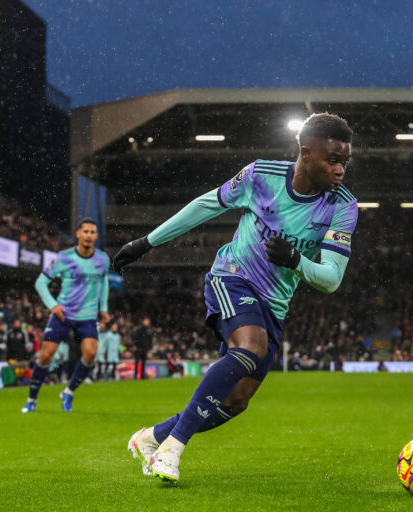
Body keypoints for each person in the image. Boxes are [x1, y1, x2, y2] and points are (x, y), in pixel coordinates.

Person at [115, 113, 356, 482]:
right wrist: (147, 242)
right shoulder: (261, 176)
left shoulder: (342, 206)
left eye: (345, 162)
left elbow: (331, 279)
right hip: (232, 278)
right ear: (306, 154)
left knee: (237, 400)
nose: (340, 170)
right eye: (333, 160)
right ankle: (172, 450)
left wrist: (295, 260)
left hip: (274, 305)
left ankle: (151, 437)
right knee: (251, 347)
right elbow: (206, 205)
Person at [21, 218, 111, 413]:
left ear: (96, 236)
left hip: (87, 316)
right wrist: (53, 305)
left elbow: (104, 283)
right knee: (45, 355)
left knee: (90, 353)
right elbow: (40, 283)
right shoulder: (63, 257)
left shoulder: (103, 259)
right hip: (63, 314)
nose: (88, 235)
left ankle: (68, 392)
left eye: (92, 232)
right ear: (78, 234)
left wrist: (103, 308)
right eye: (85, 231)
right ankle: (31, 399)